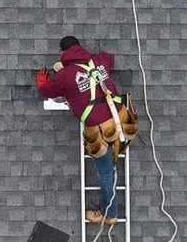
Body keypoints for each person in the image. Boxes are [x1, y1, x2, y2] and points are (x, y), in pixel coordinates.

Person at [36, 36, 138, 225]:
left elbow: (47, 91)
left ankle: (109, 214)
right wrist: (87, 59)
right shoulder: (98, 61)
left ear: (62, 53)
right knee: (113, 150)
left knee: (106, 174)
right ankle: (118, 147)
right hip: (121, 120)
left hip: (99, 130)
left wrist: (43, 83)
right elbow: (109, 58)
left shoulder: (65, 76)